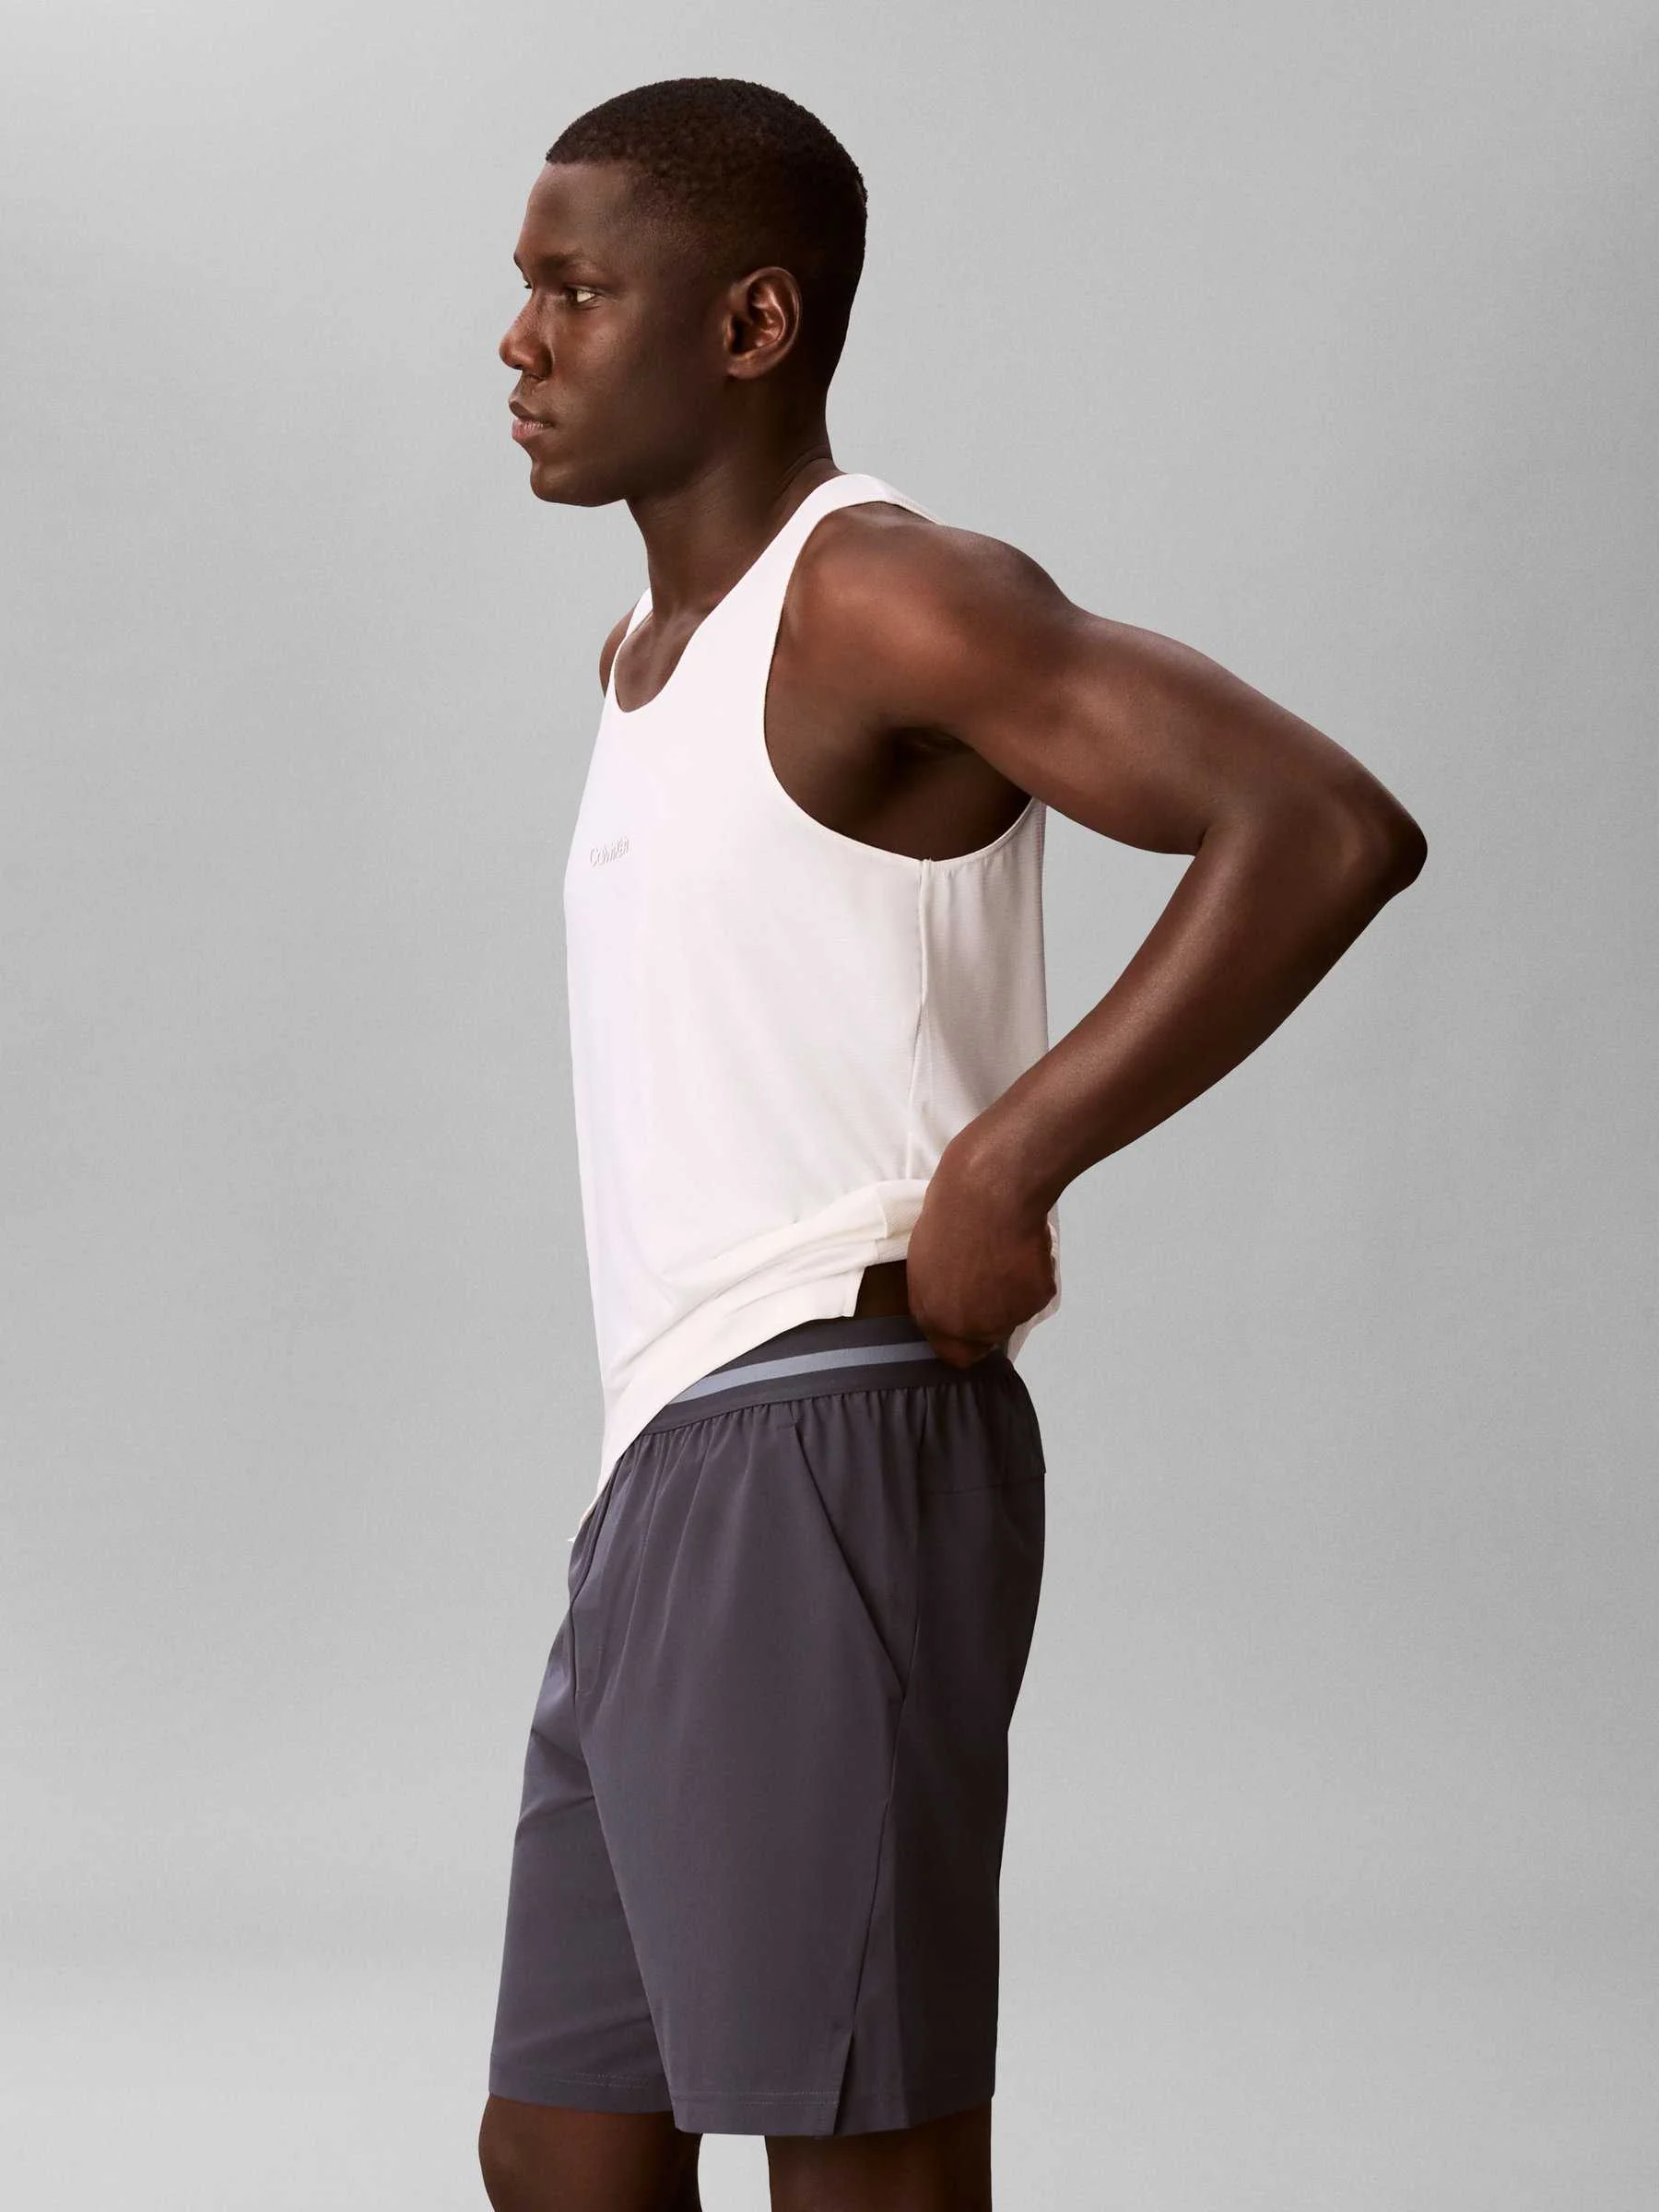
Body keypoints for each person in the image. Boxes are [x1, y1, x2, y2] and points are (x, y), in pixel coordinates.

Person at [482, 75, 1427, 2212]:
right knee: (562, 2150)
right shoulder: (644, 654)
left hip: (829, 1431)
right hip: (669, 1458)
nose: (519, 341)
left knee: (862, 2158)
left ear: (749, 324)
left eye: (575, 290)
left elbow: (1318, 825)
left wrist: (1013, 1160)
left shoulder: (884, 596)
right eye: (523, 289)